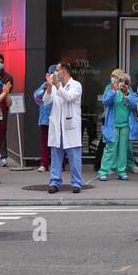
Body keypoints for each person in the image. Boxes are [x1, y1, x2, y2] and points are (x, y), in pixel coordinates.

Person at [44, 60, 83, 193]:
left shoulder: (76, 85)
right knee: (56, 156)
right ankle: (54, 182)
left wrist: (57, 85)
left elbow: (69, 97)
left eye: (57, 70)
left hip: (70, 127)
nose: (55, 72)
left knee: (74, 157)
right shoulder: (54, 86)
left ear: (63, 72)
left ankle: (76, 183)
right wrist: (49, 87)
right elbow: (46, 101)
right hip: (57, 127)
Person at [98, 70, 138, 181]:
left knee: (123, 149)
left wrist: (127, 95)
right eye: (121, 81)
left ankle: (121, 171)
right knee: (110, 148)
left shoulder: (129, 92)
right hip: (113, 125)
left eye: (126, 82)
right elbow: (105, 101)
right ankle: (103, 171)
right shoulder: (112, 90)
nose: (123, 84)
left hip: (125, 125)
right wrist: (114, 90)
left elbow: (135, 104)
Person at [32, 64, 57, 173]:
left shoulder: (60, 85)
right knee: (44, 142)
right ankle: (44, 164)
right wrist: (44, 88)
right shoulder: (44, 85)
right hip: (44, 119)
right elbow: (36, 97)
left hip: (55, 119)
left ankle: (59, 163)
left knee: (57, 143)